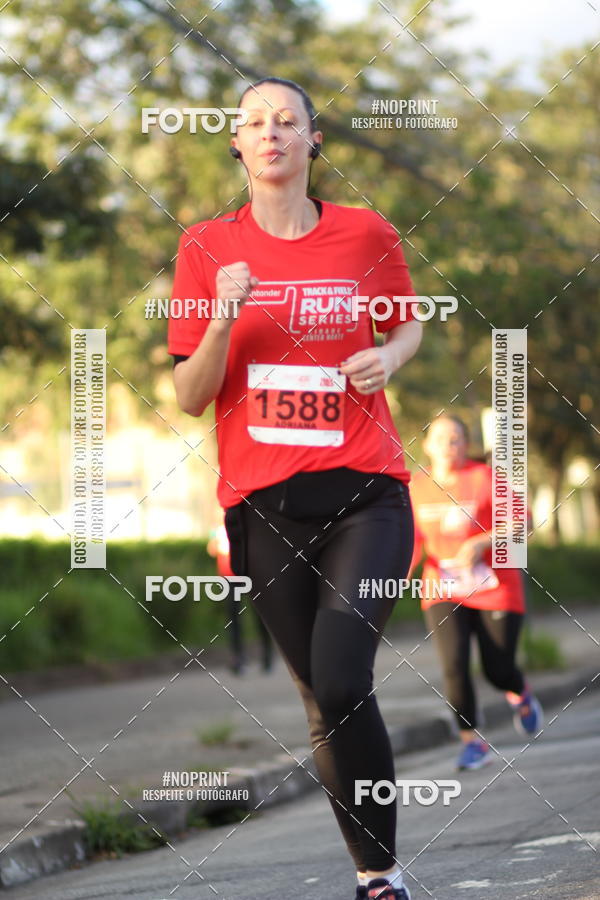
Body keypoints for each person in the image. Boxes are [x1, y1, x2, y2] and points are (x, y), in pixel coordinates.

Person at [168, 76, 423, 900]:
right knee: (320, 697)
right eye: (254, 122)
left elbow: (407, 318)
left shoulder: (365, 234)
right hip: (263, 506)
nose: (271, 132)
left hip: (366, 493)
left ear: (314, 140)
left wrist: (390, 357)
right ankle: (370, 873)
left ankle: (383, 878)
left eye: (288, 120)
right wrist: (220, 319)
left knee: (346, 678)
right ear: (236, 145)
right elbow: (188, 394)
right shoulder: (206, 247)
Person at [409, 414, 543, 771]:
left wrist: (481, 542)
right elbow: (411, 543)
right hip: (443, 588)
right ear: (426, 445)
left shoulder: (483, 478)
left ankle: (521, 693)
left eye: (455, 438)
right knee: (453, 665)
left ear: (465, 444)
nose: (448, 445)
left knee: (496, 669)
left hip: (494, 587)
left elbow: (523, 521)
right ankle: (472, 742)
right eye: (440, 438)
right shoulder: (415, 488)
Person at [207, 522, 274, 674]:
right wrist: (216, 544)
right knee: (233, 617)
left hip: (249, 575)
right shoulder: (219, 529)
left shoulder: (244, 523)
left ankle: (267, 654)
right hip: (229, 579)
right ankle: (237, 657)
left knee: (259, 615)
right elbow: (211, 550)